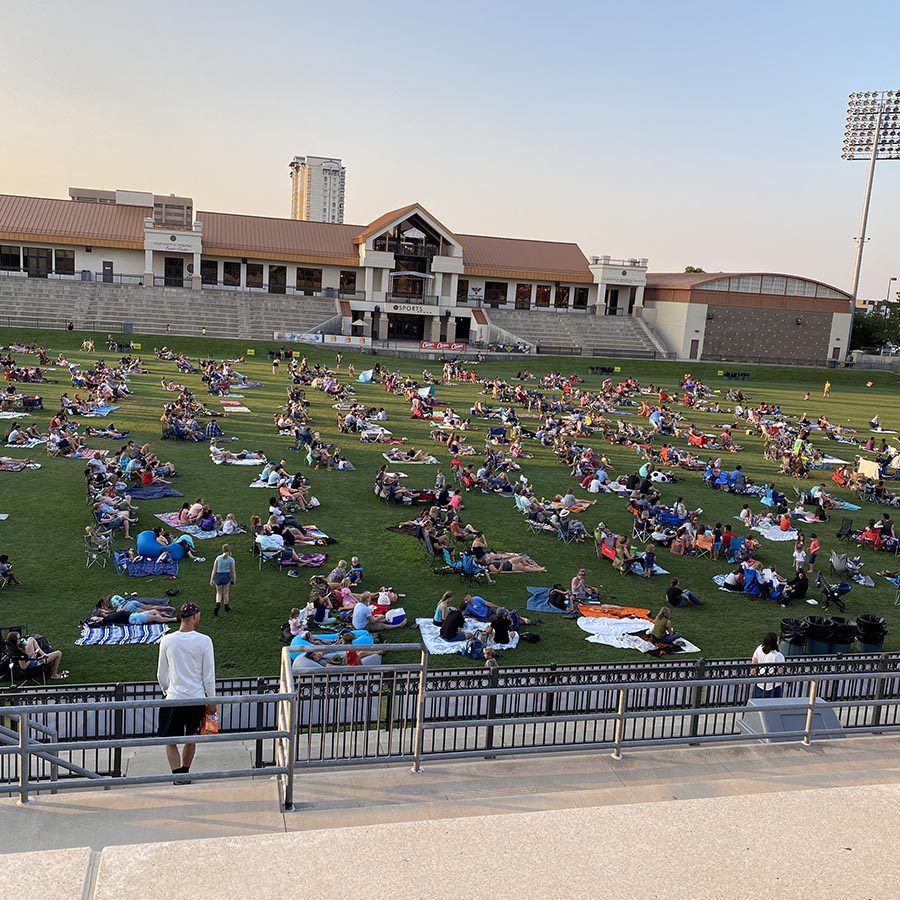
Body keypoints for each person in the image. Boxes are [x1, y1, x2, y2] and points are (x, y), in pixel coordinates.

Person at [157, 602, 216, 784]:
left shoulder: (167, 640)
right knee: (191, 737)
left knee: (171, 739)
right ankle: (186, 771)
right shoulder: (205, 640)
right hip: (196, 697)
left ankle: (177, 775)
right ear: (194, 616)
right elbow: (208, 675)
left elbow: (161, 673)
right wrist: (211, 699)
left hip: (174, 697)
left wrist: (167, 691)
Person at [751, 633, 786, 698]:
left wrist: (754, 670)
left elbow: (754, 660)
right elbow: (780, 671)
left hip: (759, 683)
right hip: (773, 686)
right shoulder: (778, 655)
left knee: (757, 704)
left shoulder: (759, 648)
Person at [210, 544, 236, 616]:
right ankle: (226, 607)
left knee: (218, 593)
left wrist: (211, 579)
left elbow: (214, 569)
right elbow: (233, 571)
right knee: (226, 593)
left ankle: (217, 605)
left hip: (218, 576)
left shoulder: (218, 558)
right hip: (226, 576)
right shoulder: (231, 560)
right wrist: (234, 580)